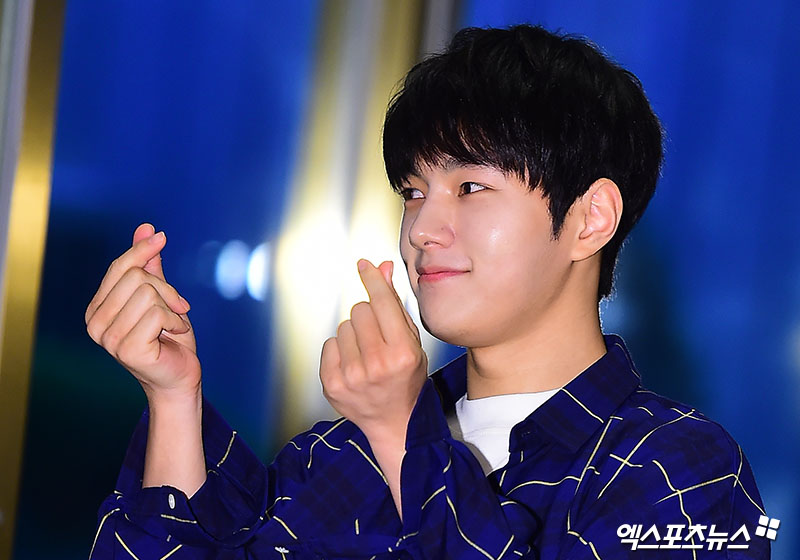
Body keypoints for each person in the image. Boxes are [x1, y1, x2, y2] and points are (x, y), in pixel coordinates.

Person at [86, 24, 769, 559]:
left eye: (470, 187)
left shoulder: (683, 468)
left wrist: (401, 437)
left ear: (590, 220)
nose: (421, 230)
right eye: (413, 191)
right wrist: (173, 399)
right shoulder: (334, 455)